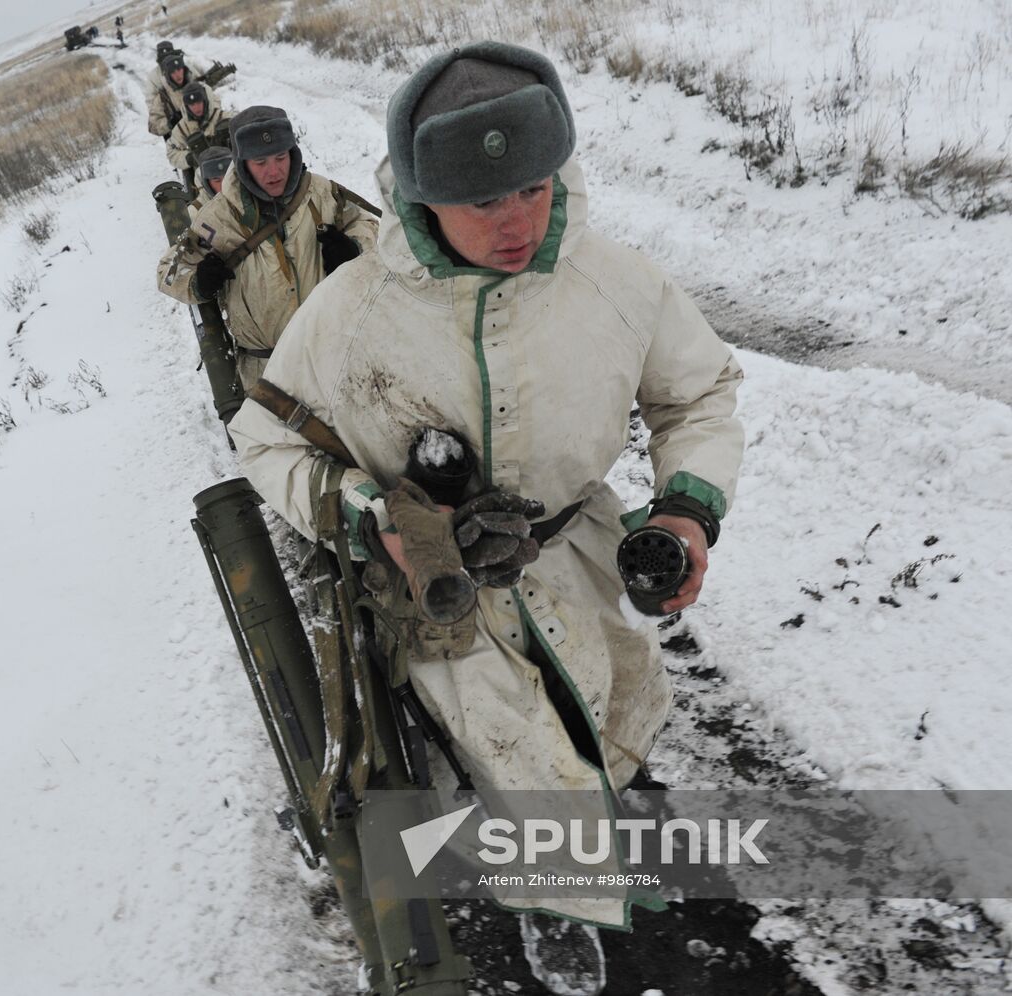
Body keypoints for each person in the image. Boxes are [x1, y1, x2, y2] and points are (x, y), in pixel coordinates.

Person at [226, 42, 744, 994]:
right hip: (443, 594)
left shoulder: (616, 283)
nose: (516, 224)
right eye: (482, 204)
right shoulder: (350, 314)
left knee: (611, 713)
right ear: (424, 200)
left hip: (575, 556)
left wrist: (685, 513)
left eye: (536, 190)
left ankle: (599, 823)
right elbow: (262, 437)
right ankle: (549, 903)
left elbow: (699, 397)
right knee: (512, 764)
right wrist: (366, 512)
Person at [157, 105, 379, 389]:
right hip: (268, 374)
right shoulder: (218, 217)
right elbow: (168, 272)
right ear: (242, 163)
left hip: (334, 356)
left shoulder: (322, 193)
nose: (274, 171)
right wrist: (199, 282)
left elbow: (368, 225)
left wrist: (355, 247)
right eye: (260, 162)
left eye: (280, 157)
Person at [166, 83, 230, 187]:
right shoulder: (182, 128)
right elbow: (171, 152)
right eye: (192, 105)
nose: (196, 107)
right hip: (201, 179)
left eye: (199, 102)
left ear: (205, 100)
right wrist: (189, 158)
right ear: (186, 106)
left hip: (229, 171)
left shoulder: (222, 117)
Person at [146, 50, 204, 139]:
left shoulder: (199, 87)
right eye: (173, 72)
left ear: (184, 69)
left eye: (179, 69)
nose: (178, 75)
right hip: (181, 143)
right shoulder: (162, 98)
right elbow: (153, 127)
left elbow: (215, 106)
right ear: (167, 75)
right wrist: (169, 123)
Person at [188, 145, 232, 218]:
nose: (224, 184)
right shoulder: (195, 213)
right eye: (217, 180)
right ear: (207, 183)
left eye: (228, 177)